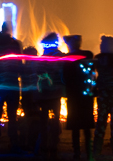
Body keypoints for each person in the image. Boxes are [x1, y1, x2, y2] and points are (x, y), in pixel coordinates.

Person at [0, 22, 23, 153]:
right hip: (12, 84)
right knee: (12, 116)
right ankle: (14, 144)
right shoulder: (15, 44)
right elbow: (19, 64)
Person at [63, 35, 95, 160]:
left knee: (76, 127)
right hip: (86, 94)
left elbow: (64, 77)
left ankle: (77, 153)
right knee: (86, 127)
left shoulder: (67, 58)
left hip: (74, 95)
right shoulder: (88, 54)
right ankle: (89, 154)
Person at [35, 32, 65, 160]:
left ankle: (43, 147)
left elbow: (37, 73)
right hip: (54, 94)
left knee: (44, 121)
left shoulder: (42, 57)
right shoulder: (59, 56)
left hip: (44, 94)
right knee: (54, 120)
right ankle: (53, 146)